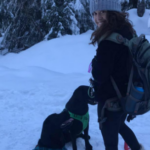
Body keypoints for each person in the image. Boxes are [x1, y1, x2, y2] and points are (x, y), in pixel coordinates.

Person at [89, 0, 145, 150]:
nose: (98, 17)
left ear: (112, 12)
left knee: (110, 140)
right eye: (95, 13)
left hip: (111, 101)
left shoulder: (108, 40)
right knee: (120, 125)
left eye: (102, 12)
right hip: (127, 96)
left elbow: (100, 75)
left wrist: (94, 63)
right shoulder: (126, 30)